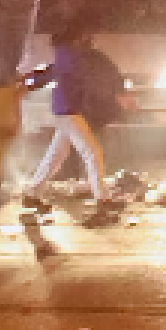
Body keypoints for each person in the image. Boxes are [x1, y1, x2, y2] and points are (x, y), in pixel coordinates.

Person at [21, 26, 125, 208]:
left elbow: (50, 73)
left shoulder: (66, 57)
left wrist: (28, 82)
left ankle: (32, 194)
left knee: (56, 155)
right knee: (92, 153)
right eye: (84, 36)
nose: (88, 39)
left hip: (66, 111)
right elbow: (92, 78)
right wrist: (115, 98)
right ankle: (103, 198)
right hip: (69, 111)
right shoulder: (74, 57)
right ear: (76, 39)